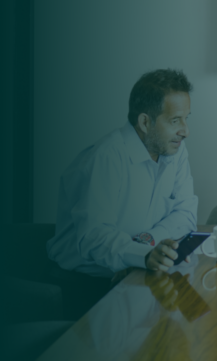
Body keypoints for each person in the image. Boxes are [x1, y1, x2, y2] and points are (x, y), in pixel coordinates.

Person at [47, 69, 198, 315]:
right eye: (175, 121)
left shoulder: (176, 150)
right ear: (145, 122)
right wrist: (143, 254)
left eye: (186, 118)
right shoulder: (106, 157)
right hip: (85, 286)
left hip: (140, 273)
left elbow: (186, 213)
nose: (186, 131)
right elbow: (93, 237)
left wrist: (147, 243)